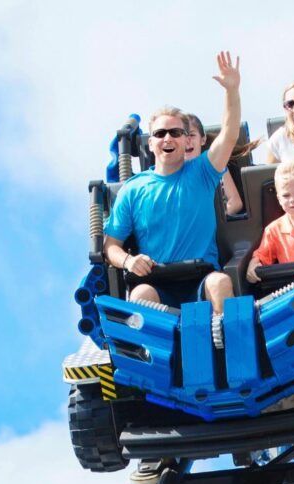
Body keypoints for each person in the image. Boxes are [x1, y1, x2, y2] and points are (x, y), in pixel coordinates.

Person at [103, 52, 241, 315]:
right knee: (140, 295)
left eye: (176, 133)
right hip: (158, 281)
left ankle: (226, 347)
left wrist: (231, 91)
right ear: (151, 142)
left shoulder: (202, 171)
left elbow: (230, 132)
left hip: (201, 277)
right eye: (160, 133)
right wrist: (129, 261)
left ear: (186, 139)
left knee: (221, 282)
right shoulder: (133, 189)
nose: (168, 138)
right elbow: (111, 246)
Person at [185, 113, 244, 215]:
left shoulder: (216, 164)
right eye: (182, 136)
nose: (187, 141)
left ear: (203, 140)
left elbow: (235, 202)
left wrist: (215, 217)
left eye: (192, 135)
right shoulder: (172, 171)